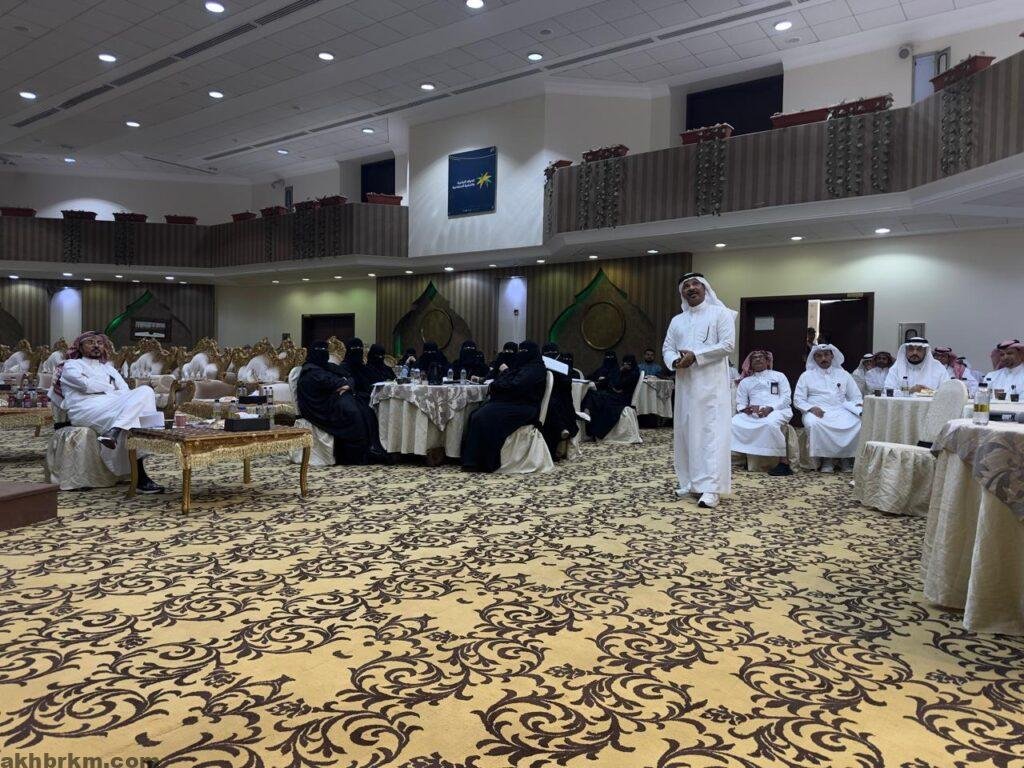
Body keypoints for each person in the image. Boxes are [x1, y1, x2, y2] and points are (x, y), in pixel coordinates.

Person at [48, 331, 164, 493]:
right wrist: (109, 388)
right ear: (80, 347)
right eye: (91, 342)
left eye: (100, 343)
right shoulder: (70, 365)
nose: (96, 345)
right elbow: (84, 385)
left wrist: (105, 390)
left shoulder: (109, 368)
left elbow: (125, 390)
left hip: (111, 406)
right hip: (85, 409)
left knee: (145, 391)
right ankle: (140, 477)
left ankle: (115, 431)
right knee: (133, 416)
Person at [662, 273, 736, 508]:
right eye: (686, 286)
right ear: (682, 293)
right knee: (686, 433)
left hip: (711, 387)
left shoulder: (720, 314)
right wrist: (674, 361)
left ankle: (711, 489)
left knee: (710, 435)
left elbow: (728, 345)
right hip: (686, 385)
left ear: (705, 289)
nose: (691, 288)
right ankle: (691, 482)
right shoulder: (677, 320)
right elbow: (667, 347)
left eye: (696, 284)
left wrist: (696, 356)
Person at [296, 341, 389, 465]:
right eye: (320, 351)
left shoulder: (327, 366)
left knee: (365, 407)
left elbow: (349, 378)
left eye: (325, 351)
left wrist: (347, 384)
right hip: (320, 408)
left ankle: (371, 448)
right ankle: (355, 455)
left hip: (334, 400)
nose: (324, 354)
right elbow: (333, 382)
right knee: (352, 413)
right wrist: (344, 383)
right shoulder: (310, 371)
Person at [462, 340, 547, 473]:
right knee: (476, 414)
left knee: (484, 417)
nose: (520, 354)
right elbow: (509, 380)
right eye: (520, 351)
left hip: (525, 407)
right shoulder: (523, 366)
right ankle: (472, 460)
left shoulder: (535, 369)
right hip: (512, 402)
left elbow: (516, 385)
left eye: (524, 351)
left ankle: (484, 462)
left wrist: (499, 384)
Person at [794, 344, 862, 473]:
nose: (823, 358)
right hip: (817, 410)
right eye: (819, 356)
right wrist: (811, 408)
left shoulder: (844, 374)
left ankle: (846, 458)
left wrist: (858, 405)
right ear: (814, 358)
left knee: (858, 422)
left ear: (832, 356)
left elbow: (856, 396)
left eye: (826, 355)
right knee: (814, 423)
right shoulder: (806, 376)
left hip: (841, 409)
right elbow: (798, 399)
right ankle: (826, 459)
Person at [731, 350, 793, 476]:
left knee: (770, 424)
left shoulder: (779, 376)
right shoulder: (745, 381)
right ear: (750, 363)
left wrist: (771, 408)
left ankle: (783, 463)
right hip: (753, 413)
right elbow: (740, 402)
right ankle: (746, 458)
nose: (758, 359)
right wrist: (745, 409)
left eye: (761, 357)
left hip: (778, 409)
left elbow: (786, 398)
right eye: (754, 358)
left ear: (767, 361)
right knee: (733, 422)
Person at [581, 354, 641, 440]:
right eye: (625, 362)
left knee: (596, 396)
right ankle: (587, 415)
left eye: (628, 363)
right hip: (616, 395)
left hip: (622, 399)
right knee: (592, 394)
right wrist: (613, 386)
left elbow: (618, 385)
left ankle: (588, 413)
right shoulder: (625, 372)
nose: (626, 364)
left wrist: (619, 373)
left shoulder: (634, 373)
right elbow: (611, 382)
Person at [540, 342, 579, 457]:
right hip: (545, 400)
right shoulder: (540, 364)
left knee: (552, 406)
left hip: (561, 402)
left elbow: (566, 384)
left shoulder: (563, 366)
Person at [883, 337, 950, 394]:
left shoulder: (938, 368)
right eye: (911, 349)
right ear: (906, 351)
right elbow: (887, 390)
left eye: (919, 349)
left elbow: (947, 392)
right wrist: (909, 391)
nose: (915, 353)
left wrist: (928, 392)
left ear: (925, 351)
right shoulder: (896, 368)